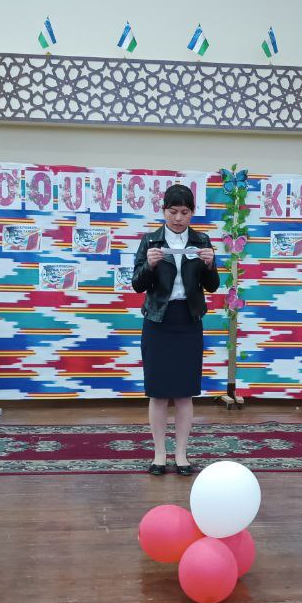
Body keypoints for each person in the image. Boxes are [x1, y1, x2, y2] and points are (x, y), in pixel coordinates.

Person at [131, 184, 220, 476]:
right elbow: (137, 284)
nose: (179, 218)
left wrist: (211, 264)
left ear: (192, 212)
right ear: (164, 211)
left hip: (188, 321)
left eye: (184, 212)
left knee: (184, 393)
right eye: (173, 211)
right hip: (158, 321)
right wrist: (149, 266)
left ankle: (181, 454)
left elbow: (212, 286)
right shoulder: (150, 240)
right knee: (158, 393)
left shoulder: (201, 240)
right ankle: (159, 454)